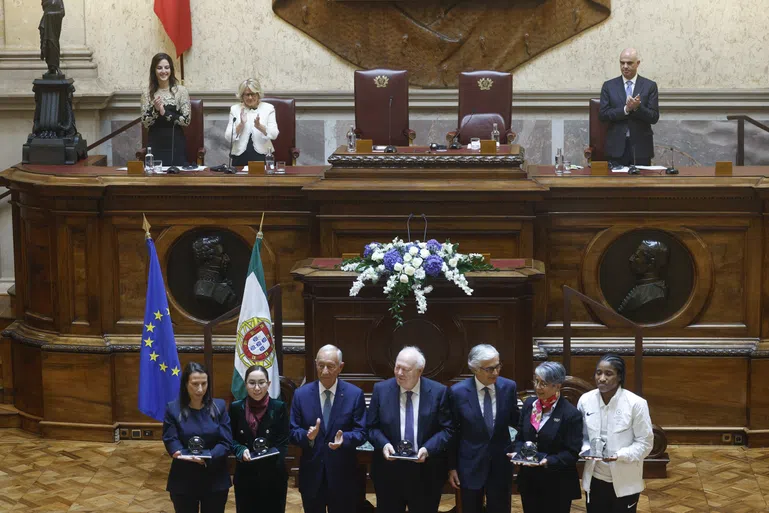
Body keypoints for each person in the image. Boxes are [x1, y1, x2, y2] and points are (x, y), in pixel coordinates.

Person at [367, 346, 453, 513]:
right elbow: (371, 427)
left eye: (405, 369)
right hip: (388, 473)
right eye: (397, 367)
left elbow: (447, 430)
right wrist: (384, 445)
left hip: (426, 474)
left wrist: (427, 449)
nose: (399, 373)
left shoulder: (438, 392)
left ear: (420, 370)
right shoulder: (381, 390)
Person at [289, 344, 367, 513]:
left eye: (330, 366)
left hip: (343, 476)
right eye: (320, 365)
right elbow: (292, 431)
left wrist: (344, 439)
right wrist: (307, 436)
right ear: (315, 363)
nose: (324, 371)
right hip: (312, 476)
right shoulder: (301, 395)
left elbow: (361, 432)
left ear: (341, 367)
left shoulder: (354, 395)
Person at [448, 344, 519, 513]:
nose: (495, 372)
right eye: (489, 369)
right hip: (470, 465)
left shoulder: (509, 387)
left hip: (501, 464)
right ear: (475, 369)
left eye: (497, 366)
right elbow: (452, 432)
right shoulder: (457, 393)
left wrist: (520, 448)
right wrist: (451, 467)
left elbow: (517, 422)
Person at [578, 354, 654, 513]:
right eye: (598, 373)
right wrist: (586, 449)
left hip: (625, 480)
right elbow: (581, 436)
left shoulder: (636, 404)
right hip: (595, 478)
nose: (602, 378)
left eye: (608, 373)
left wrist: (620, 455)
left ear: (620, 377)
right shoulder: (585, 400)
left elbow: (645, 443)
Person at [510, 362, 582, 513]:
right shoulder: (530, 404)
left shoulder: (570, 414)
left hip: (557, 483)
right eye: (536, 381)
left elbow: (572, 452)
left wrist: (547, 461)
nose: (537, 387)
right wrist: (519, 452)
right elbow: (520, 436)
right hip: (529, 481)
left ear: (557, 385)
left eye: (543, 383)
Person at [162, 362, 232, 513]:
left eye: (204, 383)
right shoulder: (173, 409)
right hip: (184, 477)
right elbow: (170, 438)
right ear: (186, 384)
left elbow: (226, 441)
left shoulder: (219, 407)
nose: (200, 389)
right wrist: (179, 452)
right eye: (195, 384)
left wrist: (209, 457)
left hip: (215, 477)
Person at [230, 365, 289, 513]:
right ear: (245, 384)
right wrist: (240, 450)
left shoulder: (279, 407)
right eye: (252, 383)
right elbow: (230, 439)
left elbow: (283, 441)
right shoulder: (236, 408)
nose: (257, 388)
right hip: (245, 475)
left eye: (261, 382)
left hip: (273, 476)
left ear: (268, 384)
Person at [599, 48, 659, 166]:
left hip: (641, 148)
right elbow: (603, 115)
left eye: (629, 63)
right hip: (616, 148)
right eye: (622, 63)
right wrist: (625, 110)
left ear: (638, 63)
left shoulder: (650, 86)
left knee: (641, 184)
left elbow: (654, 117)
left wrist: (637, 107)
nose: (625, 66)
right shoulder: (608, 86)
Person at [141, 52, 190, 166]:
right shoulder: (147, 93)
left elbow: (186, 121)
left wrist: (164, 111)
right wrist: (155, 109)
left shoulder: (181, 91)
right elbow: (145, 123)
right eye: (159, 68)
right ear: (154, 70)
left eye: (167, 67)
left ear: (171, 69)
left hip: (175, 143)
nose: (163, 71)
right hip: (155, 143)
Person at [225, 78, 279, 166]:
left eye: (253, 94)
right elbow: (228, 137)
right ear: (242, 96)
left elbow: (274, 134)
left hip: (263, 156)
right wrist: (241, 125)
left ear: (258, 94)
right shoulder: (235, 109)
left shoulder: (268, 108)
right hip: (239, 156)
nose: (250, 97)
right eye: (247, 94)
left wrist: (259, 126)